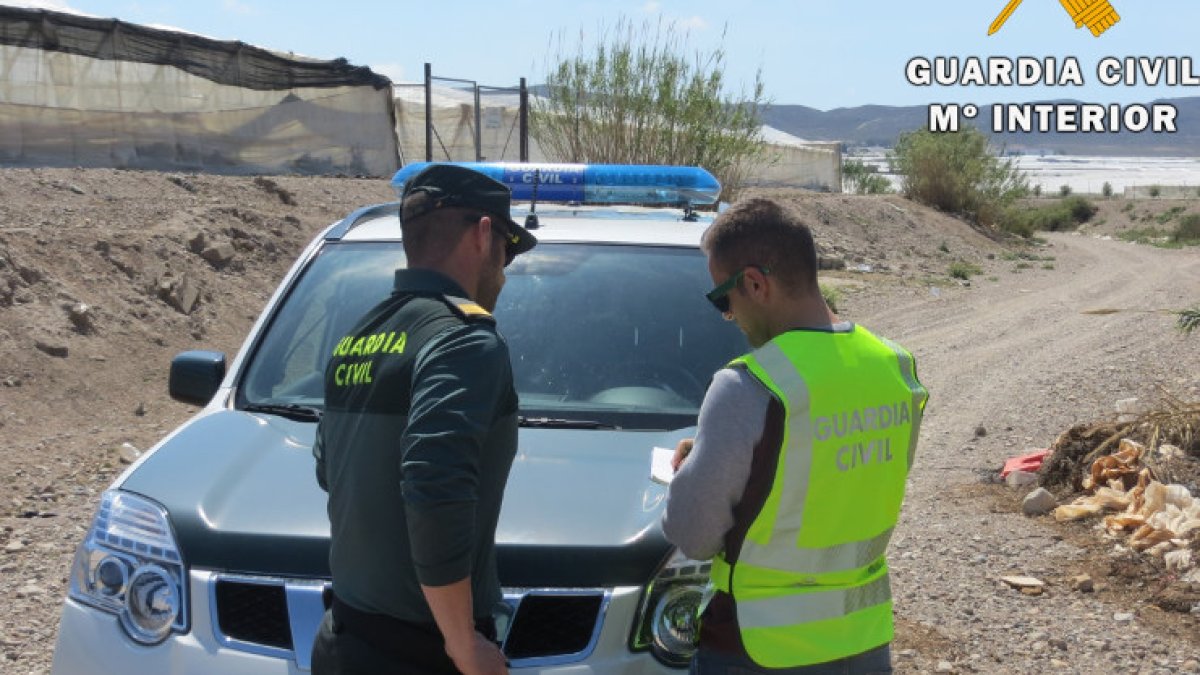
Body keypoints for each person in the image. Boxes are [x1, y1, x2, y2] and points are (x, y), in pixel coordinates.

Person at [662, 197, 928, 674]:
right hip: (863, 641)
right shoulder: (895, 367)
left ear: (754, 283)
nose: (729, 316)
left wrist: (690, 471)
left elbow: (694, 536)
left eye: (723, 300)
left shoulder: (750, 385)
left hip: (758, 650)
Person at [311, 164, 536, 675]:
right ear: (483, 234)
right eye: (507, 248)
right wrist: (462, 646)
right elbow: (435, 485)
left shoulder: (358, 339)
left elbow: (330, 471)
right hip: (421, 654)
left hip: (344, 641)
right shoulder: (464, 340)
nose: (503, 270)